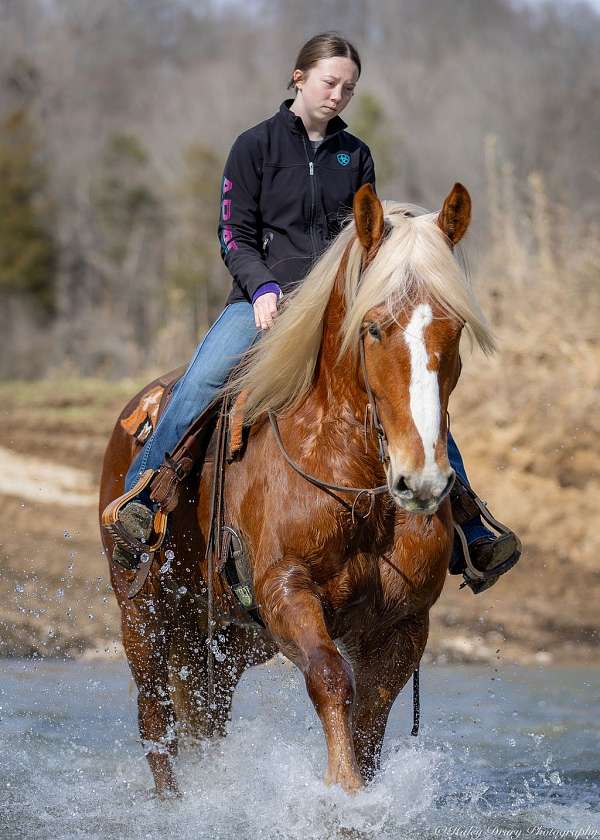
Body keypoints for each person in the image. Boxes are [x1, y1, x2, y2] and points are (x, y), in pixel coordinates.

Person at [103, 32, 520, 593]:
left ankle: (468, 526)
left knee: (408, 391)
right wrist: (263, 287)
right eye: (330, 82)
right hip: (262, 303)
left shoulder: (356, 155)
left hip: (336, 310)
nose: (339, 95)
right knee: (202, 380)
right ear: (299, 77)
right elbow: (234, 234)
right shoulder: (254, 147)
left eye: (349, 87)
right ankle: (142, 497)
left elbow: (368, 240)